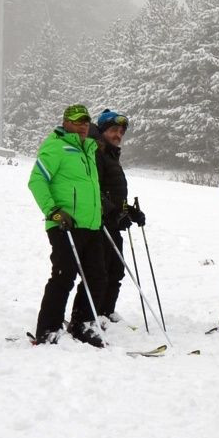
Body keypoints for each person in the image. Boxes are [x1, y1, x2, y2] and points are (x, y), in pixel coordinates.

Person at [28, 104, 107, 347]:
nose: (83, 125)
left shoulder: (88, 149)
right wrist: (53, 210)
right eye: (77, 120)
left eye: (86, 121)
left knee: (97, 276)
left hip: (91, 224)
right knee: (64, 275)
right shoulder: (56, 146)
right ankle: (48, 329)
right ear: (66, 122)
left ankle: (82, 323)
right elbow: (37, 180)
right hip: (64, 224)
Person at [92, 109, 145, 325]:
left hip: (113, 222)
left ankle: (107, 310)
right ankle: (93, 313)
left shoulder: (110, 153)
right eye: (114, 130)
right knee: (101, 271)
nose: (118, 135)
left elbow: (112, 191)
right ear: (103, 130)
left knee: (116, 269)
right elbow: (94, 189)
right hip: (98, 223)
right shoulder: (97, 153)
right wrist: (113, 212)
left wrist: (129, 211)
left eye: (121, 131)